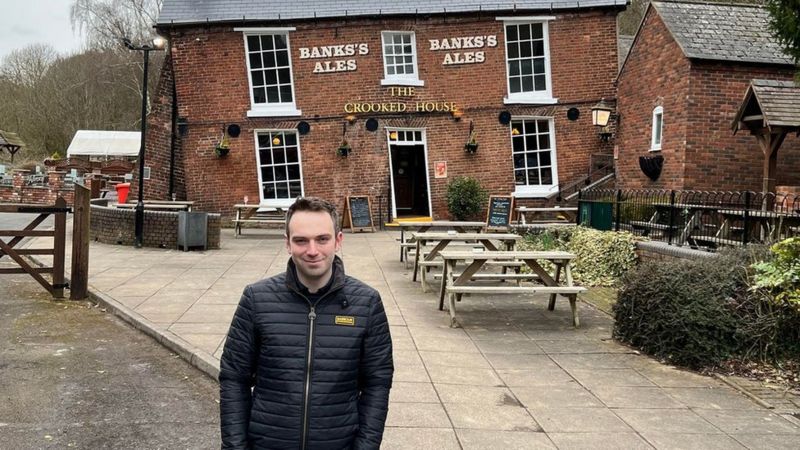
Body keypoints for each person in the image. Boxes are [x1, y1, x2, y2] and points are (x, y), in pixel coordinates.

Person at [219, 197, 393, 450]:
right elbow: (234, 378)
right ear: (288, 244)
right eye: (301, 240)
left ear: (338, 240)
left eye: (322, 239)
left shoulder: (367, 303)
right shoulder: (256, 299)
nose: (312, 250)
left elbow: (378, 383)